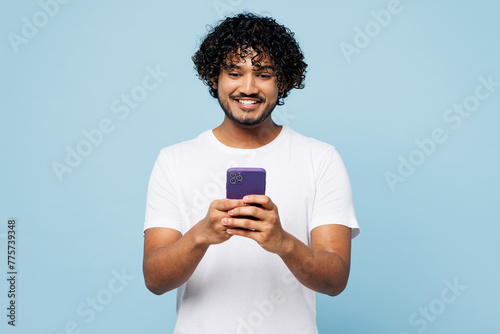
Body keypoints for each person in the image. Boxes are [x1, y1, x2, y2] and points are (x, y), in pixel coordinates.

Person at [143, 12, 360, 334]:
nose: (248, 87)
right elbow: (155, 280)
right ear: (213, 77)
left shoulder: (320, 158)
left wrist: (282, 242)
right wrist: (200, 236)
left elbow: (334, 280)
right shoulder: (174, 160)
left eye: (263, 74)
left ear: (282, 80)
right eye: (234, 72)